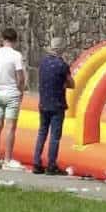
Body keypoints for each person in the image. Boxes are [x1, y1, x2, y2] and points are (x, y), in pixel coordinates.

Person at [32, 37, 74, 175]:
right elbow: (71, 84)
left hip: (43, 102)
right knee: (55, 136)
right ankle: (51, 165)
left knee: (42, 133)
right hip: (57, 104)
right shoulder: (62, 65)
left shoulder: (43, 63)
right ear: (61, 50)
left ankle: (36, 162)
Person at [0, 28, 25, 169]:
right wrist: (21, 92)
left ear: (3, 39)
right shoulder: (16, 56)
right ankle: (8, 158)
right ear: (15, 40)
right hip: (11, 92)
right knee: (10, 127)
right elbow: (20, 77)